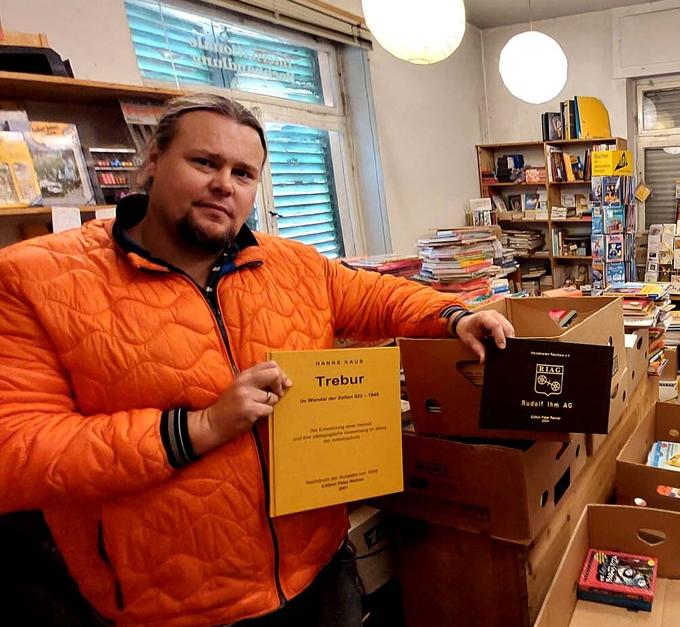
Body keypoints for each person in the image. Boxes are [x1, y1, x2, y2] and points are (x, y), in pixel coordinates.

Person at [0, 93, 514, 626]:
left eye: (244, 173)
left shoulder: (290, 264)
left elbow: (378, 297)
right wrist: (196, 428)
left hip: (318, 572)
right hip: (174, 606)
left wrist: (454, 316)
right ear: (153, 159)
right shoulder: (36, 278)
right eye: (204, 163)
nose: (225, 183)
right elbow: (16, 453)